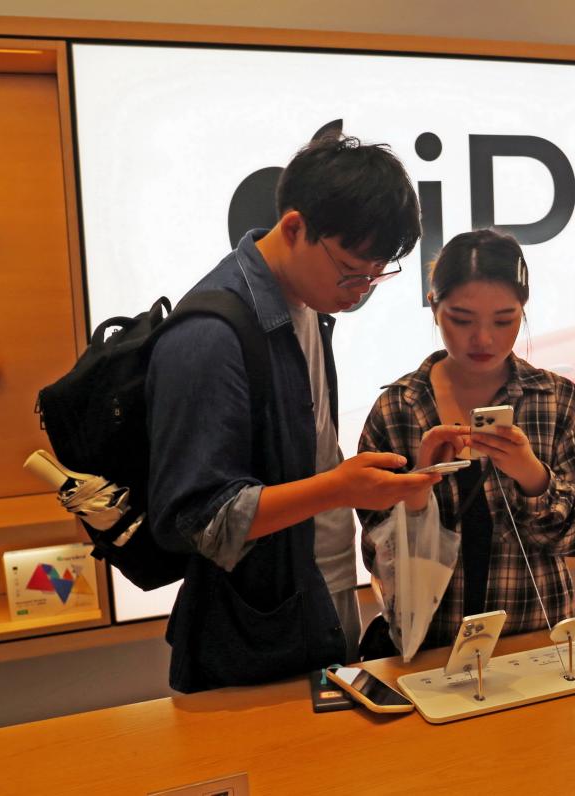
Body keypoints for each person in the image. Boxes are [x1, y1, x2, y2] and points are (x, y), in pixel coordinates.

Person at [146, 135, 440, 693]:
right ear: (294, 227)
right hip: (253, 642)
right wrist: (338, 489)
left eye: (376, 277)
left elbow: (301, 459)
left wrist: (368, 483)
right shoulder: (211, 334)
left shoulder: (306, 303)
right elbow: (199, 521)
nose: (359, 294)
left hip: (319, 605)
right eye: (352, 272)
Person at [357, 228, 575, 654]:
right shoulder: (398, 409)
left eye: (504, 320)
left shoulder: (556, 401)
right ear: (434, 306)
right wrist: (418, 491)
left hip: (534, 643)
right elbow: (379, 558)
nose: (484, 339)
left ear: (523, 311)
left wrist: (532, 476)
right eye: (462, 319)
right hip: (428, 649)